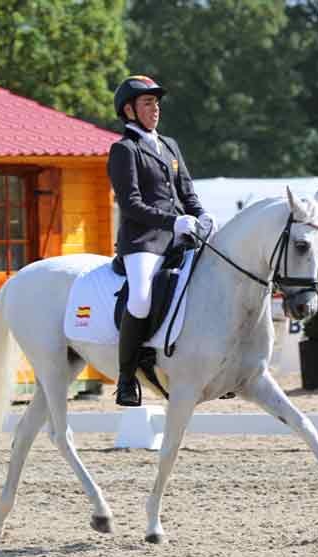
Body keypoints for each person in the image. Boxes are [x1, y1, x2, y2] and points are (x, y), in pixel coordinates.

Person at [108, 75, 216, 407]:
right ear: (129, 110)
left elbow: (187, 192)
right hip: (143, 241)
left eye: (156, 103)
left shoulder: (169, 146)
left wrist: (201, 215)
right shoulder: (124, 150)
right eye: (147, 103)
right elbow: (131, 204)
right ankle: (127, 378)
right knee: (140, 299)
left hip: (179, 237)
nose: (155, 109)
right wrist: (174, 221)